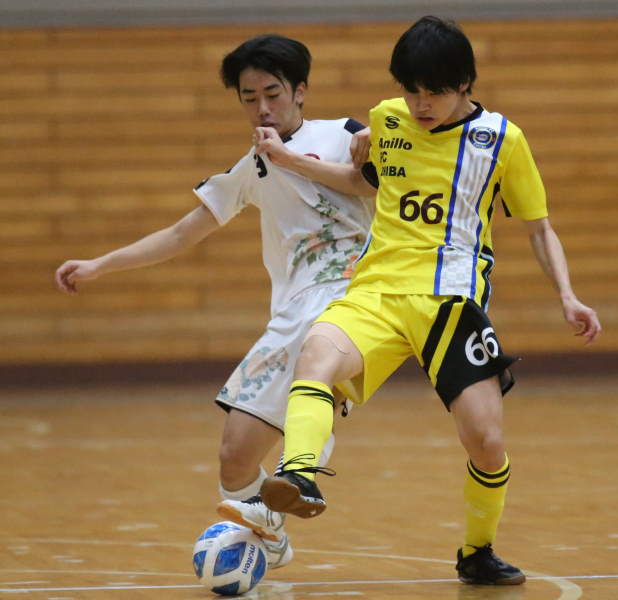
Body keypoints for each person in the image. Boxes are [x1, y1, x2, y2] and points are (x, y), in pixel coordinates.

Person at [250, 16, 601, 586]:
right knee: (315, 355)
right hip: (378, 293)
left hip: (451, 303)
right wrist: (288, 160)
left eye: (433, 91)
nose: (419, 103)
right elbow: (368, 181)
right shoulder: (387, 119)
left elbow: (539, 228)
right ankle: (299, 473)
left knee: (486, 442)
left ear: (465, 83)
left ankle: (477, 552)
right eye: (411, 89)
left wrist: (568, 295)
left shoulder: (503, 141)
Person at [53, 34, 374, 570]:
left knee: (312, 392)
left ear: (300, 91)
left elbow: (378, 180)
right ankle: (271, 536)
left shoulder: (345, 134)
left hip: (351, 298)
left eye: (273, 93)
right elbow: (182, 233)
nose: (263, 107)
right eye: (249, 98)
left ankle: (305, 470)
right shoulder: (252, 167)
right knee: (234, 459)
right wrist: (101, 264)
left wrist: (372, 136)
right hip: (291, 311)